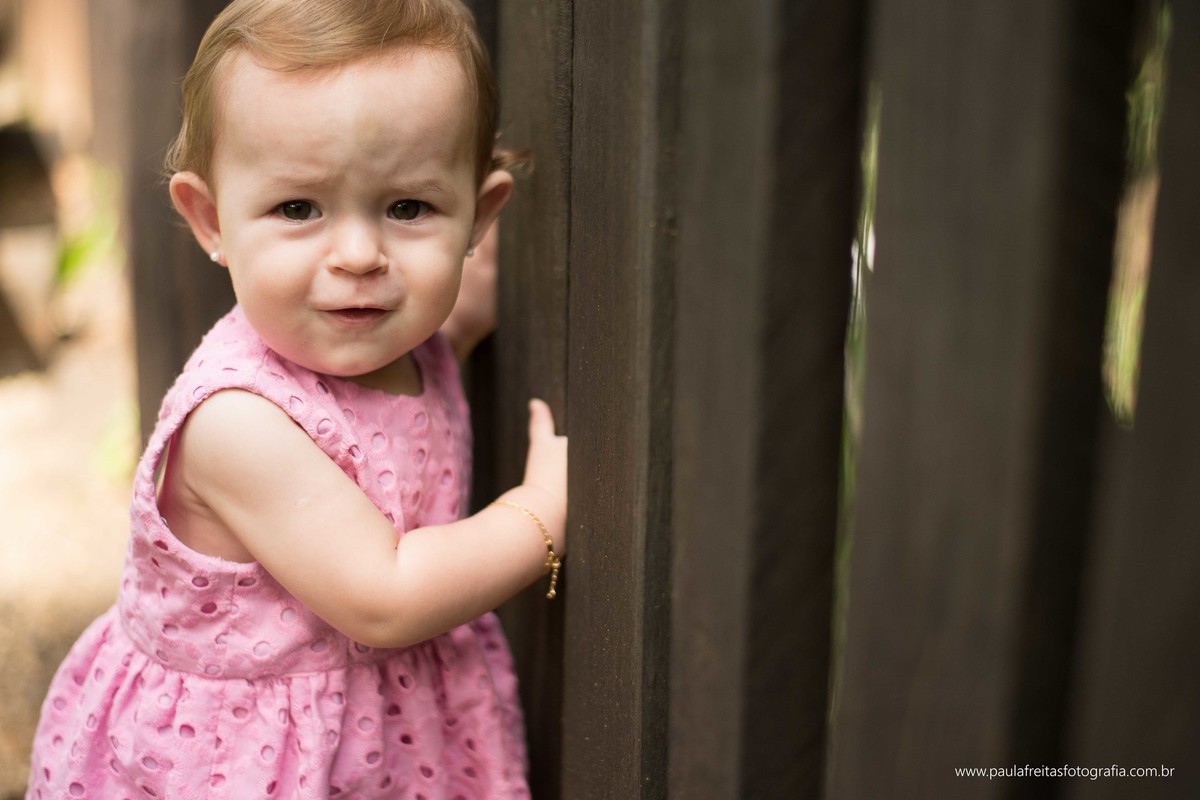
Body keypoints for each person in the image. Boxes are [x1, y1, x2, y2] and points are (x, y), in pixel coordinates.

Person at [26, 0, 566, 797]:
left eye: (408, 208)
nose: (357, 255)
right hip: (244, 758)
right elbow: (385, 597)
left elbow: (391, 416)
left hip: (376, 732)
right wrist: (541, 516)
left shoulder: (404, 343)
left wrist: (456, 324)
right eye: (298, 208)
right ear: (210, 219)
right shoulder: (237, 425)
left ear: (477, 218)